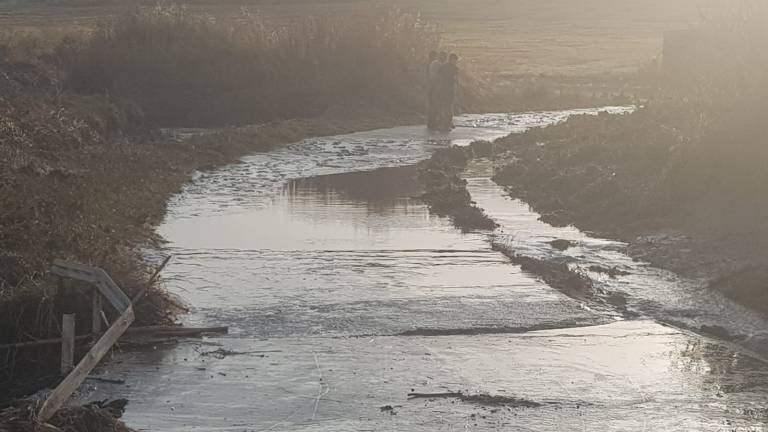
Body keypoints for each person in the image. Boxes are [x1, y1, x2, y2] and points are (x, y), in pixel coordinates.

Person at [436, 53, 460, 131]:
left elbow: (438, 77)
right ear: (451, 59)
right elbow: (455, 80)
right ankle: (446, 124)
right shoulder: (454, 68)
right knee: (447, 108)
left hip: (445, 89)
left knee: (445, 107)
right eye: (455, 60)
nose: (455, 62)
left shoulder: (443, 67)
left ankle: (445, 124)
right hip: (447, 90)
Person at [427, 52, 447, 130]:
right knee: (436, 105)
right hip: (436, 87)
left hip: (433, 87)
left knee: (434, 105)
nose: (445, 58)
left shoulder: (435, 63)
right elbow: (436, 76)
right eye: (444, 56)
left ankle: (432, 123)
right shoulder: (437, 64)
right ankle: (434, 123)